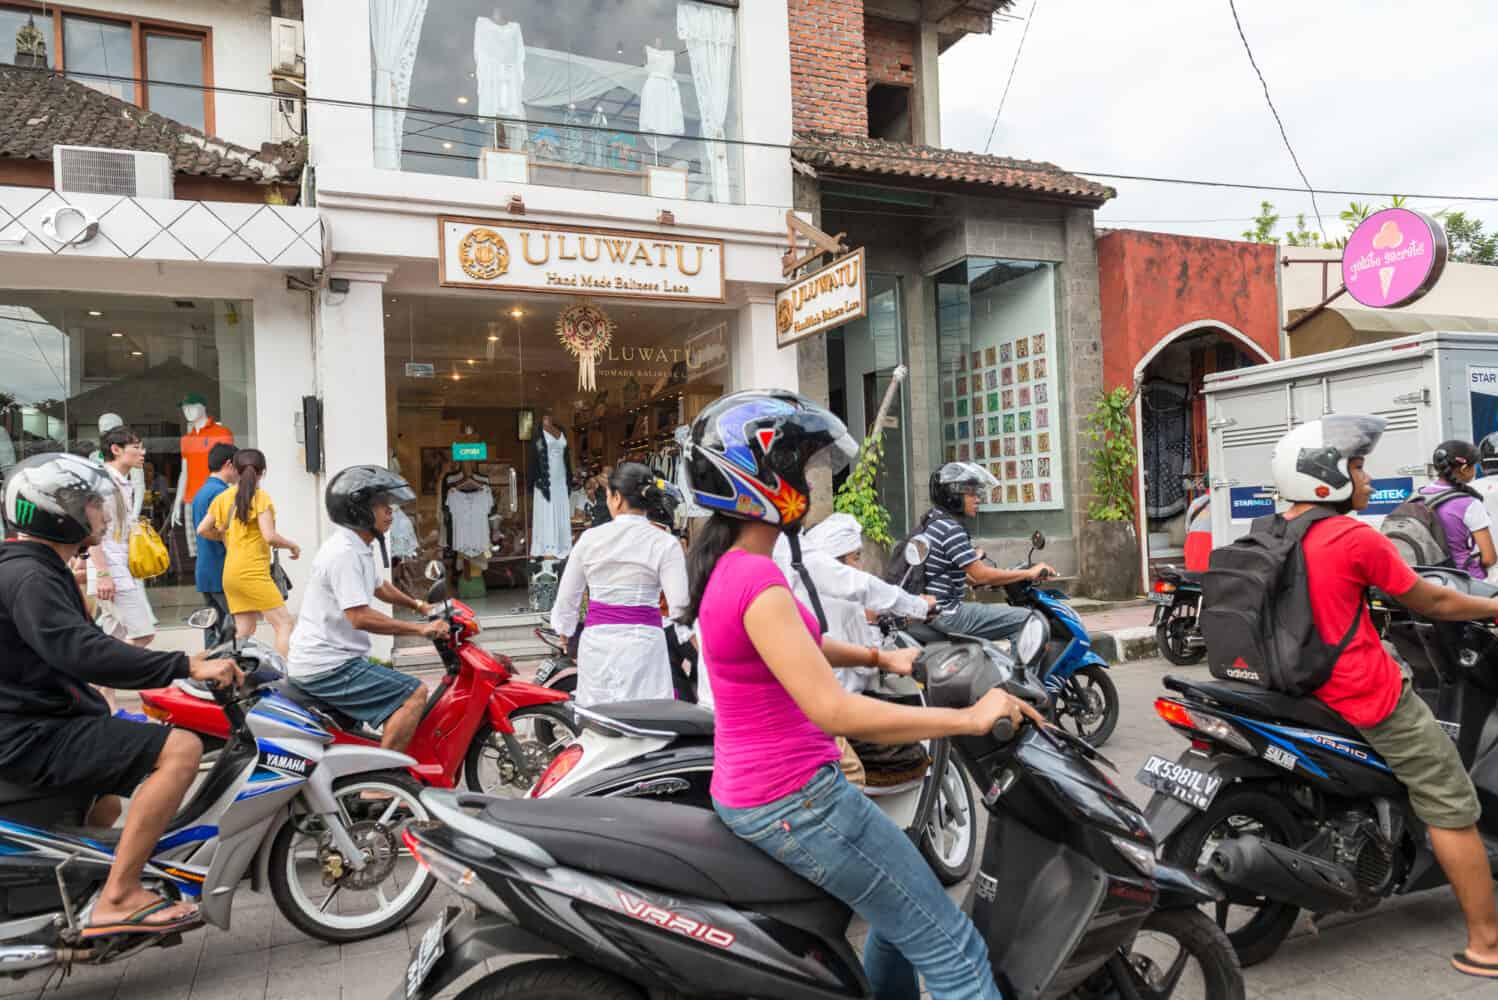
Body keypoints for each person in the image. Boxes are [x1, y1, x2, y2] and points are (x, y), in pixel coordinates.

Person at [683, 389, 1041, 999]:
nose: (809, 484)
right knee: (954, 949)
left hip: (763, 791)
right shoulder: (758, 577)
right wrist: (971, 718)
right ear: (761, 476)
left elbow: (804, 643)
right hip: (795, 797)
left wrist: (880, 655)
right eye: (798, 467)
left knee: (899, 916)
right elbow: (833, 709)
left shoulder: (732, 568)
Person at [1273, 415, 1498, 979]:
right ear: (1327, 477)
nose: (1367, 479)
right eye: (1357, 467)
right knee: (1450, 799)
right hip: (1364, 694)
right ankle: (1486, 946)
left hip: (1296, 686)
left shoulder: (1272, 529)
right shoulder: (1352, 537)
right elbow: (1435, 603)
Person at [0, 453, 240, 937]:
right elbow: (82, 651)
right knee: (180, 748)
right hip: (28, 734)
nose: (103, 514)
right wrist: (186, 663)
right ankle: (120, 895)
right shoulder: (31, 577)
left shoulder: (35, 567)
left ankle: (87, 886)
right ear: (57, 511)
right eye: (91, 504)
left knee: (108, 802)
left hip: (38, 721)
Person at [287, 467, 447, 752]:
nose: (390, 512)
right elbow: (358, 617)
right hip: (329, 666)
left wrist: (418, 605)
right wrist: (420, 629)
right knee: (412, 694)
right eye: (381, 506)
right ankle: (383, 781)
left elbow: (378, 586)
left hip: (335, 659)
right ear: (358, 511)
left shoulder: (356, 546)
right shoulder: (344, 553)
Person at [775, 512, 939, 786]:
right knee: (909, 754)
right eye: (855, 558)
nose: (859, 567)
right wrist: (917, 607)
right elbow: (863, 591)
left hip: (809, 705)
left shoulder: (794, 584)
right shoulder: (796, 561)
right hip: (828, 710)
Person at [551, 463, 689, 708]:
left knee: (601, 719)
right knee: (648, 722)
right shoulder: (665, 543)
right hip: (645, 645)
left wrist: (565, 630)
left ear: (616, 498)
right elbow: (681, 608)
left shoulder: (590, 539)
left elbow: (568, 597)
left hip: (599, 644)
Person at [920, 461, 1055, 643]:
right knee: (1027, 619)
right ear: (952, 496)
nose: (978, 499)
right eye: (971, 493)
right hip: (949, 613)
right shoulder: (951, 529)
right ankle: (1020, 672)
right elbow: (982, 575)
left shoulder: (934, 522)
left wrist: (978, 577)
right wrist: (1029, 573)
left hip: (936, 611)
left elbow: (949, 572)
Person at [199, 449, 300, 657]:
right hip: (252, 572)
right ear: (263, 471)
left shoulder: (223, 498)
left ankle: (234, 676)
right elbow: (269, 536)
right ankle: (283, 678)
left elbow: (202, 529)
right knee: (284, 624)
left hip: (231, 574)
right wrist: (291, 545)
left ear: (235, 470)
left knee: (244, 631)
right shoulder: (261, 498)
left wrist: (226, 537)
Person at [87, 426, 157, 650]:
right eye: (136, 447)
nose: (142, 452)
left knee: (113, 639)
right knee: (143, 633)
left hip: (120, 570)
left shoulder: (120, 482)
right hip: (112, 572)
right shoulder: (104, 484)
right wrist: (103, 574)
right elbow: (92, 533)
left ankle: (98, 684)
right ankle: (106, 672)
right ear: (116, 449)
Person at [1415, 440, 1495, 580]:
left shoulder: (1418, 495)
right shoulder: (1469, 503)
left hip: (1428, 578)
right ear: (1464, 469)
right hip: (1463, 581)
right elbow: (1489, 558)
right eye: (1474, 466)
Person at [190, 443, 238, 648]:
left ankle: (209, 670)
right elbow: (229, 532)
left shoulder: (201, 492)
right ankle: (226, 670)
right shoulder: (222, 494)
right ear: (228, 464)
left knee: (212, 627)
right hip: (221, 568)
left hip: (205, 569)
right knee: (231, 627)